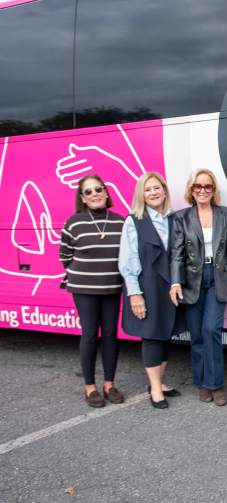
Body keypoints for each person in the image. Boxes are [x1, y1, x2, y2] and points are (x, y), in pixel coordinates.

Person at [169, 168, 227, 407]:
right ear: (192, 190)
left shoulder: (226, 215)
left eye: (207, 186)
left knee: (211, 329)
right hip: (191, 280)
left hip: (218, 278)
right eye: (198, 186)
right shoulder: (182, 218)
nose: (202, 190)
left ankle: (216, 384)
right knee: (197, 334)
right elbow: (177, 255)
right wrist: (175, 281)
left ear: (213, 190)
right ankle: (201, 383)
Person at [59, 174, 125, 408]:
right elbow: (64, 256)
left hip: (112, 286)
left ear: (106, 193)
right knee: (89, 334)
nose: (94, 193)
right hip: (84, 289)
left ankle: (109, 383)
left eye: (98, 189)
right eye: (88, 191)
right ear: (83, 199)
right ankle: (90, 386)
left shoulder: (120, 221)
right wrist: (85, 273)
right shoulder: (73, 222)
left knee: (110, 334)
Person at [119, 172, 182, 409]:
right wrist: (135, 294)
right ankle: (155, 388)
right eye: (148, 189)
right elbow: (129, 261)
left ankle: (159, 382)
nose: (153, 192)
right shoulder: (134, 221)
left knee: (165, 334)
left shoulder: (174, 220)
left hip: (170, 287)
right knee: (152, 336)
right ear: (141, 195)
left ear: (164, 191)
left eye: (157, 188)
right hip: (148, 288)